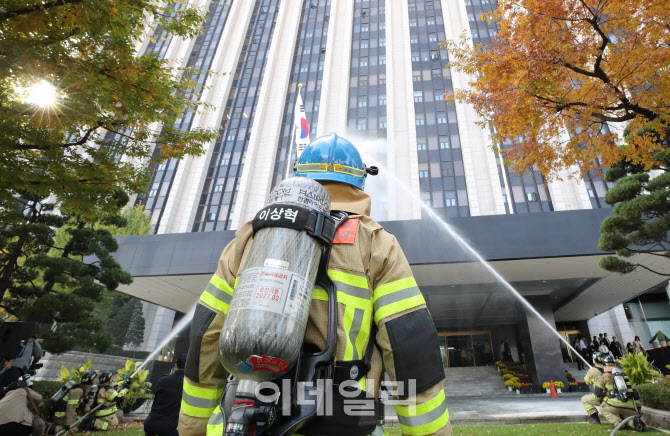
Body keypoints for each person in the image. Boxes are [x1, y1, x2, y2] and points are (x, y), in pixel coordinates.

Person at [178, 134, 451, 436]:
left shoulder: (249, 238)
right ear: (359, 182)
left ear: (300, 176)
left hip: (244, 411)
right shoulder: (375, 242)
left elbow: (206, 335)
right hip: (344, 416)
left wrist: (193, 428)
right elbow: (408, 341)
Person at [587, 355, 645, 430]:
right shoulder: (624, 376)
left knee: (603, 408)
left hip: (613, 405)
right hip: (629, 405)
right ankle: (635, 423)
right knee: (630, 416)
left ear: (604, 365)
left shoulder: (603, 376)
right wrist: (638, 408)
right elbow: (634, 392)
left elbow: (598, 393)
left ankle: (618, 422)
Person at [144, 357, 185, 436]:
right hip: (171, 427)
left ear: (175, 365)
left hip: (151, 422)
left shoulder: (163, 380)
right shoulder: (187, 384)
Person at [582, 352, 605, 424]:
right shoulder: (608, 369)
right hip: (611, 395)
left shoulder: (592, 371)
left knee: (584, 399)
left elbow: (587, 382)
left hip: (600, 396)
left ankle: (595, 418)